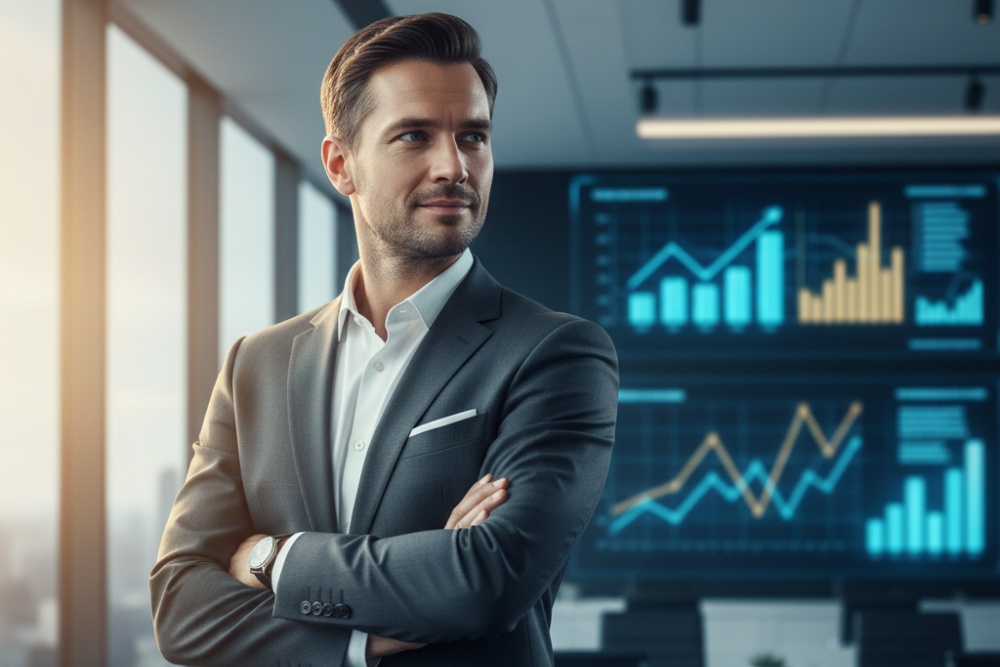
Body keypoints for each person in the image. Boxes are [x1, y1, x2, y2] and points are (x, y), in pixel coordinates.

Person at [150, 12, 618, 666]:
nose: (454, 165)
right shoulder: (256, 363)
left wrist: (270, 556)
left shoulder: (555, 353)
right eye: (414, 136)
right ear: (341, 164)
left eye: (474, 137)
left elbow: (485, 580)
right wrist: (366, 637)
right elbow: (180, 608)